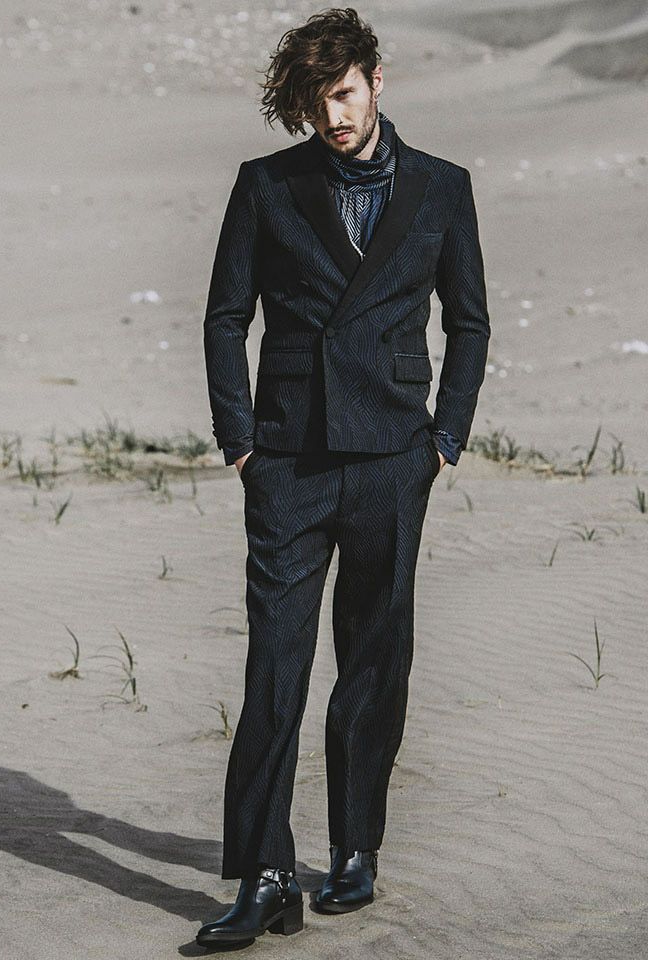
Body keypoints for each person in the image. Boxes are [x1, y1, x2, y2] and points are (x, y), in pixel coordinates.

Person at [198, 6, 490, 948]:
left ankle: (355, 850)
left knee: (373, 662)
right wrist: (241, 442)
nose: (333, 116)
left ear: (376, 79)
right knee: (273, 670)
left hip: (393, 460)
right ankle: (265, 874)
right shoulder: (267, 184)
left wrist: (444, 439)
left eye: (346, 94)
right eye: (317, 102)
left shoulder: (443, 188)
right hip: (288, 460)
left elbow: (469, 322)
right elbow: (225, 317)